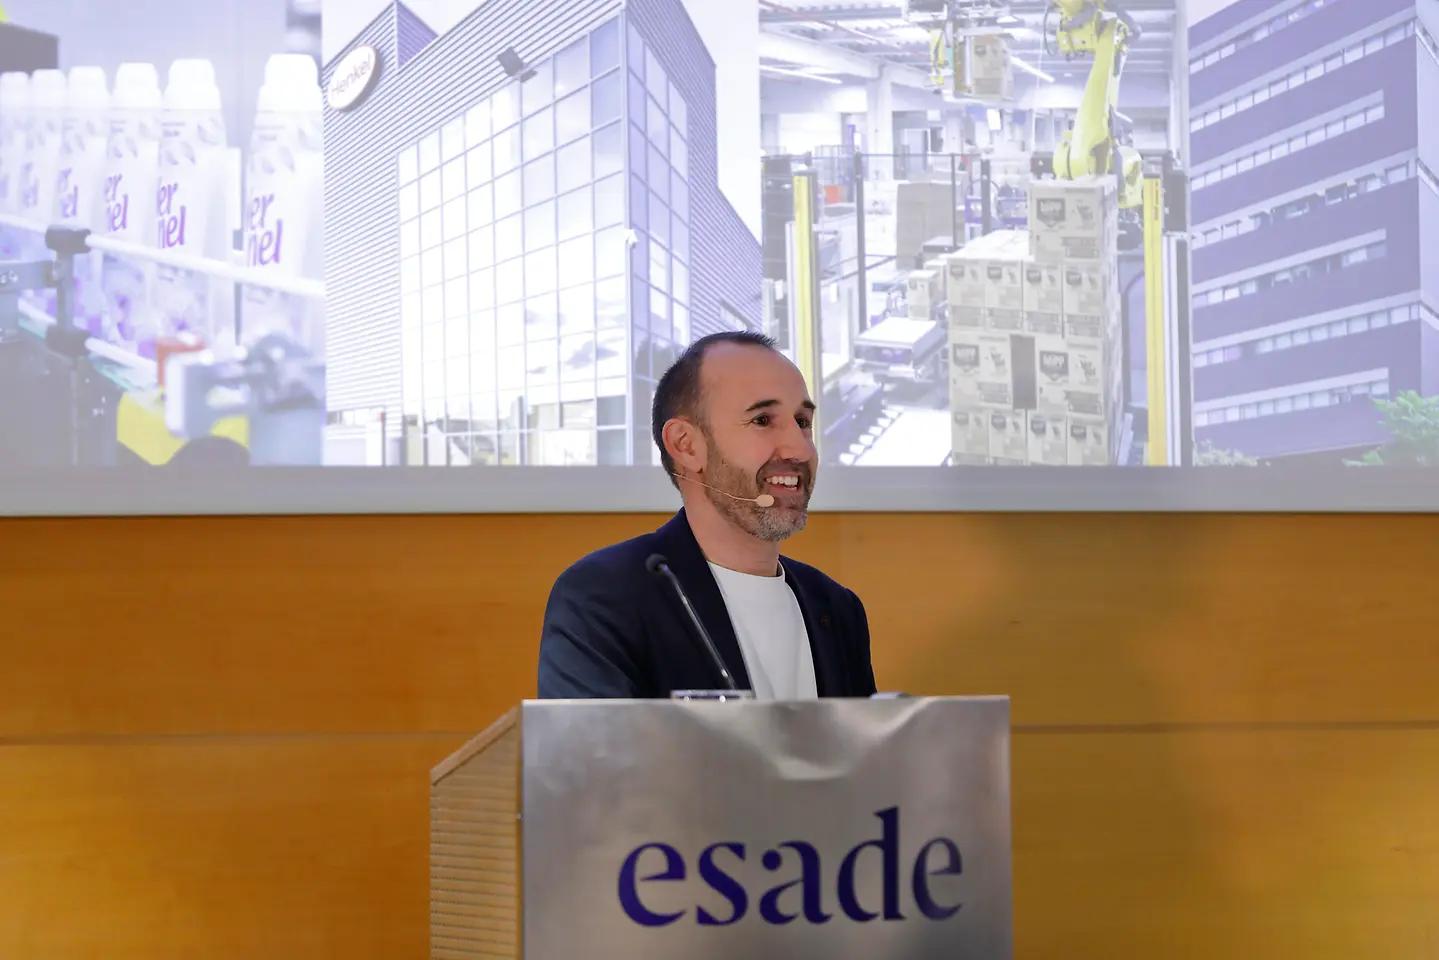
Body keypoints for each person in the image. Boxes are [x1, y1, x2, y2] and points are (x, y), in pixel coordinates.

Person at [537, 330, 877, 700]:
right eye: (763, 420)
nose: (800, 449)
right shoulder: (603, 598)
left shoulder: (837, 608)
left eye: (802, 422)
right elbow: (594, 739)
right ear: (686, 445)